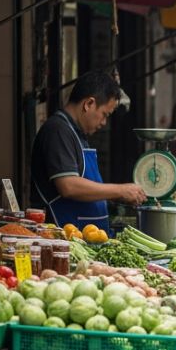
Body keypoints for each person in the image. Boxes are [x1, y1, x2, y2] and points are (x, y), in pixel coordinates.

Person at [30, 70, 145, 231]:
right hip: (64, 240)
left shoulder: (78, 134)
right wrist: (120, 190)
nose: (104, 122)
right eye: (105, 114)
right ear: (89, 104)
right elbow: (68, 186)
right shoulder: (58, 131)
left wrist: (117, 198)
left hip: (87, 240)